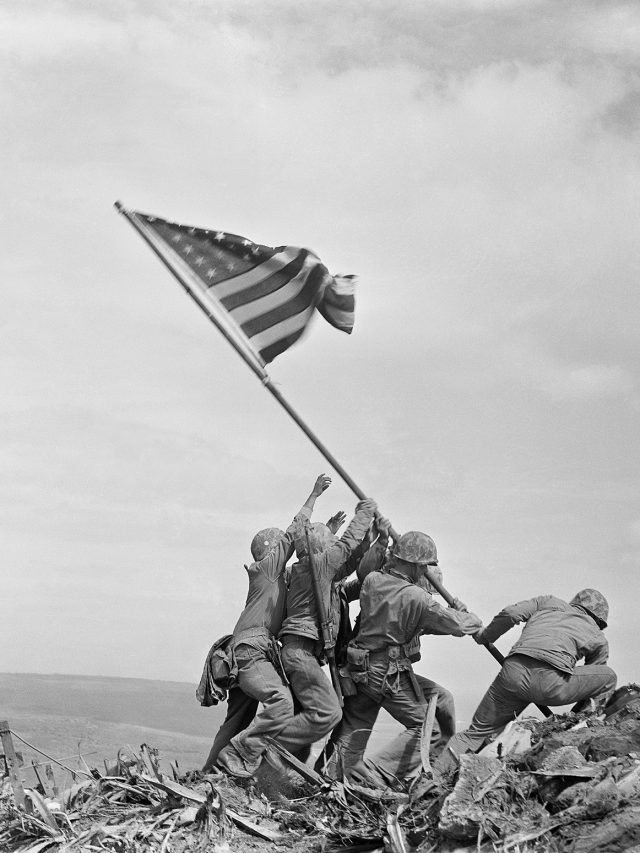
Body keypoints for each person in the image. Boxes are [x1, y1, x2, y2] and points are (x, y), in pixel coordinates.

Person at [325, 529, 482, 786]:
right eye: (423, 567)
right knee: (430, 729)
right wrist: (468, 616)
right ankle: (372, 775)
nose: (424, 572)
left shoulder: (373, 581)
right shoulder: (417, 598)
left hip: (359, 668)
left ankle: (331, 776)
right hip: (386, 673)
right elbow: (457, 625)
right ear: (416, 565)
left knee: (356, 727)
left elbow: (417, 623)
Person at [212, 474, 333, 778]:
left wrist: (328, 532)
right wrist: (314, 495)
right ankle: (240, 756)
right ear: (272, 550)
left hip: (254, 652)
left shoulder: (277, 579)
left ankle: (210, 773)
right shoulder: (266, 570)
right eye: (280, 547)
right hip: (251, 652)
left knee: (237, 720)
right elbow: (295, 533)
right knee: (281, 702)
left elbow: (309, 562)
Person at [436, 589, 617, 773]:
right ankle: (579, 729)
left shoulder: (548, 602)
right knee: (609, 677)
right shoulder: (598, 637)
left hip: (513, 674)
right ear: (599, 620)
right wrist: (572, 719)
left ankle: (433, 777)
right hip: (551, 684)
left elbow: (511, 614)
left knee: (474, 733)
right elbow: (592, 687)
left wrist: (486, 636)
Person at [272, 498, 378, 759]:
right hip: (300, 653)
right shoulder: (317, 565)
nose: (335, 544)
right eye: (331, 541)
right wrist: (364, 513)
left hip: (301, 652)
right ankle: (266, 746)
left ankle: (277, 769)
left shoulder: (312, 569)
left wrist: (371, 539)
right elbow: (346, 545)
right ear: (322, 547)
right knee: (328, 712)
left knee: (304, 728)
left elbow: (350, 562)